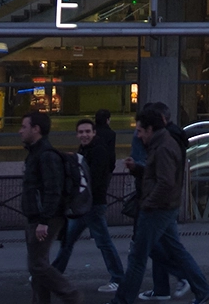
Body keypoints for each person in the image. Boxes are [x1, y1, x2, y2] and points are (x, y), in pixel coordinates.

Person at [111, 106, 209, 304]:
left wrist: (148, 203)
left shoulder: (164, 146)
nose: (138, 136)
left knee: (138, 257)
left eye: (140, 131)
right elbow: (160, 177)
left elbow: (165, 182)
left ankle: (122, 300)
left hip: (158, 207)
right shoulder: (164, 143)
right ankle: (202, 289)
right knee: (173, 250)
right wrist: (138, 170)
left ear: (150, 129)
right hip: (164, 206)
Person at [18, 111, 81, 304]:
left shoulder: (46, 155)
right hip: (37, 216)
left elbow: (53, 189)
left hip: (44, 217)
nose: (20, 131)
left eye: (24, 127)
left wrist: (44, 220)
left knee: (37, 265)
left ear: (36, 129)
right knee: (38, 265)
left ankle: (70, 294)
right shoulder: (36, 153)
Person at [54, 119, 124, 290]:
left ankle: (118, 278)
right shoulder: (88, 149)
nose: (84, 135)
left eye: (87, 131)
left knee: (100, 242)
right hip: (88, 203)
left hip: (92, 204)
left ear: (94, 133)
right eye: (81, 132)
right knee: (70, 241)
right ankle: (53, 274)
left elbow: (96, 178)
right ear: (77, 134)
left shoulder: (97, 151)